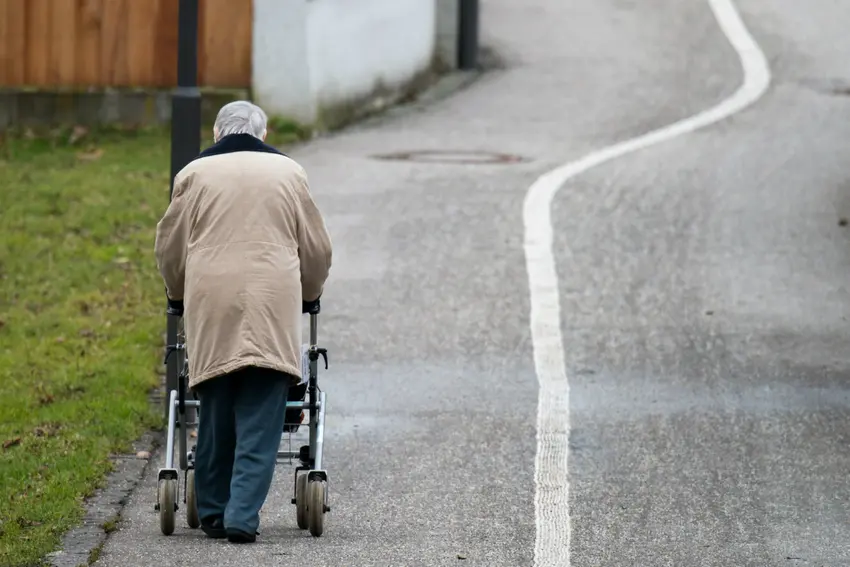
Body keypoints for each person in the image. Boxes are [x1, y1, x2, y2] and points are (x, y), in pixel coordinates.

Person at [154, 101, 332, 543]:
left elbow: (170, 247)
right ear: (263, 133)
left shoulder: (193, 174)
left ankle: (213, 512)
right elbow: (316, 249)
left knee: (215, 407)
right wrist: (310, 293)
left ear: (217, 133)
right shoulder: (289, 174)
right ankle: (241, 516)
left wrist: (176, 292)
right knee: (262, 413)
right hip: (272, 300)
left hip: (211, 300)